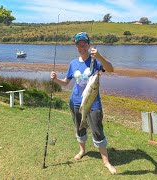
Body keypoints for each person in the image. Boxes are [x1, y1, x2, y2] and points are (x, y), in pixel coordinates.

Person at [50, 32, 117, 174]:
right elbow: (66, 83)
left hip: (93, 103)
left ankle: (106, 161)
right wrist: (56, 79)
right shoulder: (73, 63)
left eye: (84, 44)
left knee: (97, 130)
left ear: (89, 45)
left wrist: (99, 56)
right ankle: (82, 150)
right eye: (79, 45)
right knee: (79, 128)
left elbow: (111, 69)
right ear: (76, 47)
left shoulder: (96, 61)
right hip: (75, 102)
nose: (82, 47)